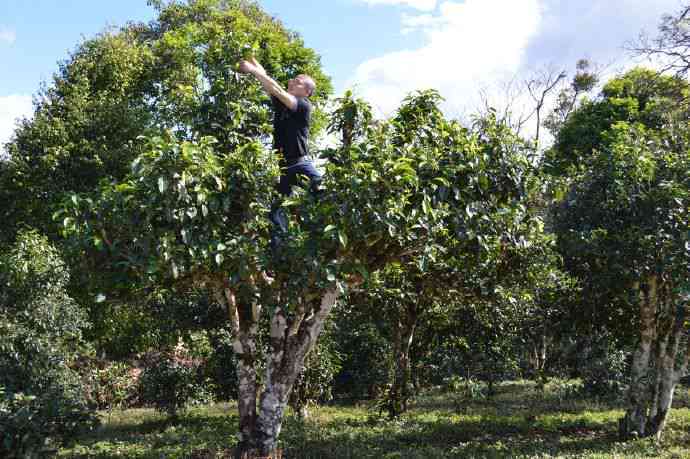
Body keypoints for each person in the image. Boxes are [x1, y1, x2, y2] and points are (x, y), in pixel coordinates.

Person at [238, 57, 321, 248]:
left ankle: (326, 236)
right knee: (275, 212)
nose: (292, 81)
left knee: (322, 191)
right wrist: (256, 65)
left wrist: (252, 69)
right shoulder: (282, 104)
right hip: (284, 168)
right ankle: (279, 253)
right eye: (292, 79)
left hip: (300, 164)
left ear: (306, 91)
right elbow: (269, 84)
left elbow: (277, 89)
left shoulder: (303, 105)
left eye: (297, 81)